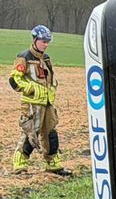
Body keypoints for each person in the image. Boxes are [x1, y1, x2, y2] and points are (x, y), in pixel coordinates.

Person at [9, 25, 70, 176]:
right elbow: (14, 80)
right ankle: (19, 165)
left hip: (48, 103)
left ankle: (53, 164)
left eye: (48, 41)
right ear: (35, 39)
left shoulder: (46, 58)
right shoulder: (24, 57)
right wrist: (31, 88)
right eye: (43, 41)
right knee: (31, 134)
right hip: (32, 104)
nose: (46, 44)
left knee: (51, 134)